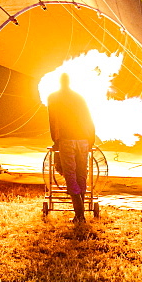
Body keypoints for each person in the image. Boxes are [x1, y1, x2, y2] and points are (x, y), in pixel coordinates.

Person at [47, 73, 95, 222]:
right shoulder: (79, 97)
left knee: (70, 175)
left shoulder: (53, 97)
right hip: (83, 139)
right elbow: (88, 118)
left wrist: (56, 140)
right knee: (82, 173)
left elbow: (53, 120)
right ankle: (80, 213)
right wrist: (91, 139)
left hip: (67, 140)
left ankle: (79, 214)